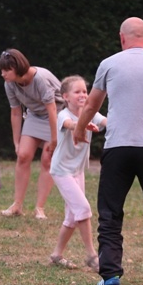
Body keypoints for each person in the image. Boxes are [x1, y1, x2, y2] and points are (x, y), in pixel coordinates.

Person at [73, 17, 143, 285]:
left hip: (118, 147)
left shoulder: (109, 63)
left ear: (121, 38)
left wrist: (78, 131)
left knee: (110, 212)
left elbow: (91, 106)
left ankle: (110, 277)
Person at [49, 76, 106, 272]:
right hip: (61, 171)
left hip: (77, 171)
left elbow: (105, 121)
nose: (83, 95)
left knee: (73, 217)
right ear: (65, 97)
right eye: (77, 92)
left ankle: (56, 255)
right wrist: (80, 125)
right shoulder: (63, 115)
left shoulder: (91, 112)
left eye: (85, 91)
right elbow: (69, 125)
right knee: (83, 208)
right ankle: (91, 256)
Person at [0, 48, 62, 220]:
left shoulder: (39, 79)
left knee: (47, 159)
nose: (3, 74)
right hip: (35, 115)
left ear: (17, 68)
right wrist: (16, 142)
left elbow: (52, 109)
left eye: (6, 70)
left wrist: (55, 139)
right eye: (1, 70)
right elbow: (16, 113)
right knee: (23, 156)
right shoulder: (9, 84)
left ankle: (39, 208)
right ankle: (17, 205)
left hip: (56, 115)